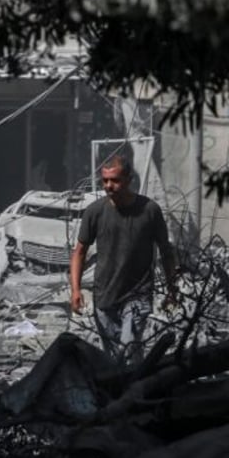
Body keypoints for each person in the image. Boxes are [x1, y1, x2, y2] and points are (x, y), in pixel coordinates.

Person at [69, 155, 178, 364]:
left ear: (129, 179)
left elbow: (166, 251)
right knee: (112, 359)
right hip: (104, 296)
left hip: (137, 296)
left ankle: (134, 388)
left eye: (115, 180)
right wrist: (76, 289)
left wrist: (172, 289)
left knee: (128, 349)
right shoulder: (95, 212)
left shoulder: (149, 210)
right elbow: (79, 252)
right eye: (105, 181)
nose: (109, 186)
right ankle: (125, 392)